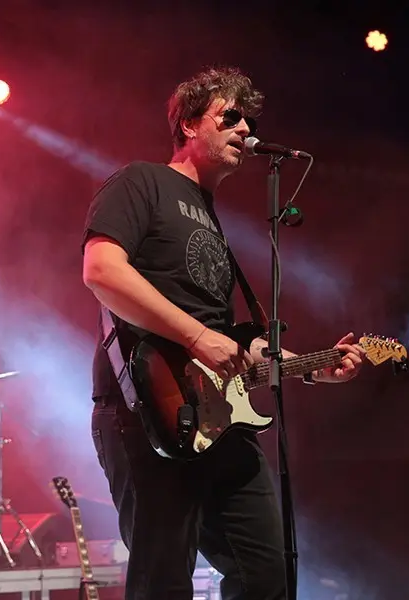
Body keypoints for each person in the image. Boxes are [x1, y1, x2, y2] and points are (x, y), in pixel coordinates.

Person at [81, 66, 366, 600]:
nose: (245, 129)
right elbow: (101, 271)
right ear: (189, 124)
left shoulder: (212, 219)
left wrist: (311, 368)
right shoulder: (142, 181)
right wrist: (196, 338)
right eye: (230, 117)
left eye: (249, 120)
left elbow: (232, 343)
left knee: (265, 574)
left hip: (220, 419)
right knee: (163, 581)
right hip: (148, 409)